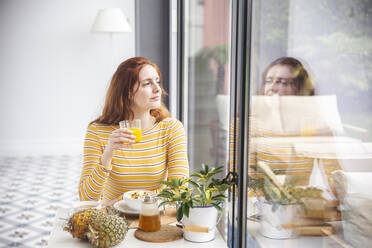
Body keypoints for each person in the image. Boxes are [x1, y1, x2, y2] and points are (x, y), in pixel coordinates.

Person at [78, 57, 189, 205]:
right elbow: (86, 198)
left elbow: (179, 190)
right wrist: (108, 154)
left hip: (155, 217)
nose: (158, 89)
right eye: (147, 83)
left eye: (157, 81)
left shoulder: (171, 129)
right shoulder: (97, 131)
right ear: (128, 93)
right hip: (115, 221)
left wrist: (128, 202)